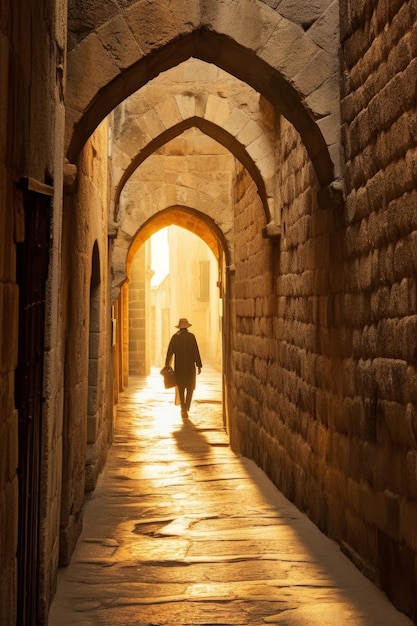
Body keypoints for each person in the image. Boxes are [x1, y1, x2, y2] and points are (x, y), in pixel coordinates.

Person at [165, 318, 202, 417]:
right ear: (187, 327)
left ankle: (183, 408)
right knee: (190, 388)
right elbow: (196, 352)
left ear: (179, 327)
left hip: (179, 367)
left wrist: (167, 365)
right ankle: (187, 406)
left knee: (181, 388)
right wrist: (199, 365)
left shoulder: (175, 338)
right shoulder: (191, 337)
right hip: (190, 368)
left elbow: (169, 353)